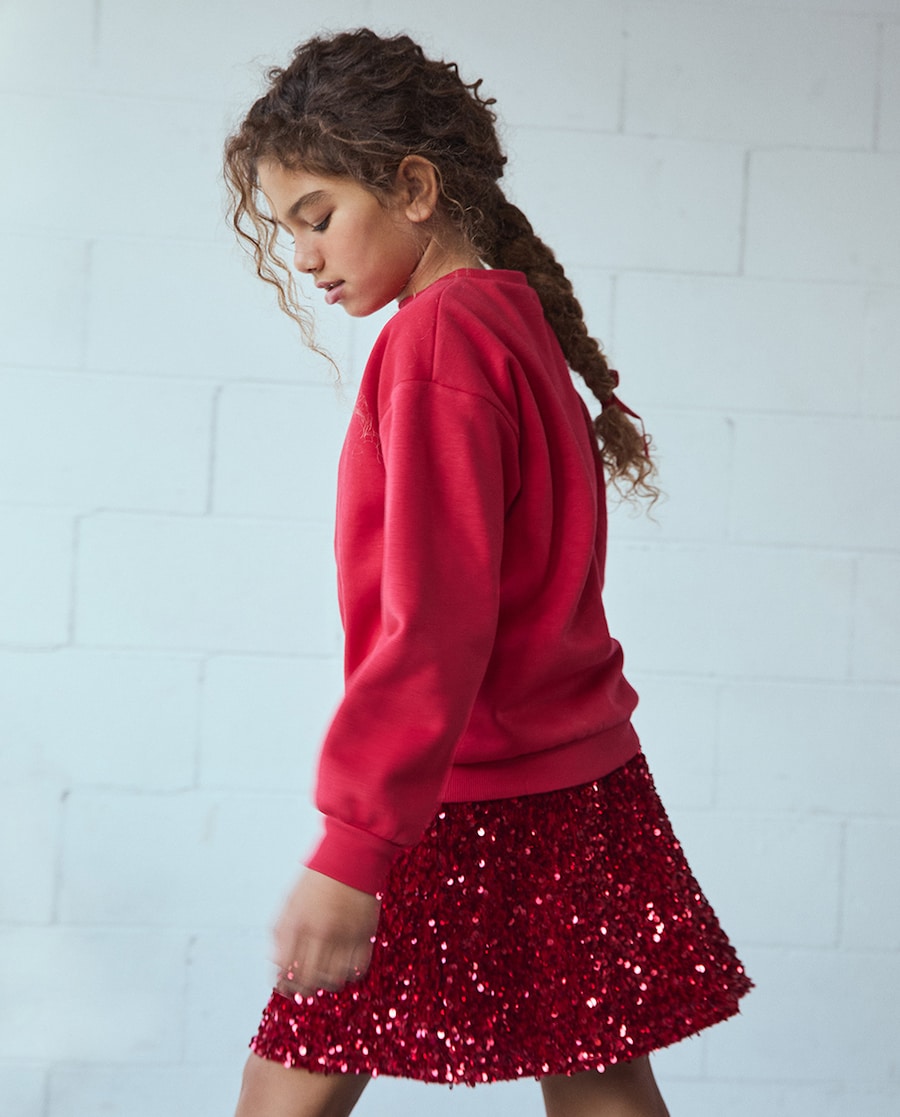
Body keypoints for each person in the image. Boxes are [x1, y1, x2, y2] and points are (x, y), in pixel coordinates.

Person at [223, 28, 751, 1117]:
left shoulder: (434, 343)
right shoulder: (509, 320)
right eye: (287, 233)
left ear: (414, 188)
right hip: (582, 782)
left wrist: (352, 845)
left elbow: (435, 621)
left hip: (455, 790)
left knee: (290, 1085)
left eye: (317, 216)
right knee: (601, 1079)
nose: (304, 257)